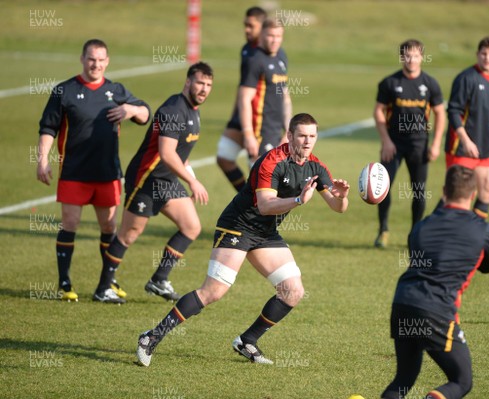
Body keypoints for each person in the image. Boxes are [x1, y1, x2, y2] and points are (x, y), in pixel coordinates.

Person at [136, 113, 349, 367]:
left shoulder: (316, 167)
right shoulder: (271, 162)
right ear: (289, 135)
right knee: (213, 291)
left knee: (293, 291)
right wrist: (298, 200)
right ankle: (150, 337)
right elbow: (265, 205)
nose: (307, 141)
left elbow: (338, 207)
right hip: (238, 226)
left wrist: (343, 196)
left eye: (312, 136)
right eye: (302, 135)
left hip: (265, 233)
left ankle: (247, 340)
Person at [36, 39, 150, 302]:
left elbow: (145, 114)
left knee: (109, 227)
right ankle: (65, 283)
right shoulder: (64, 90)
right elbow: (48, 128)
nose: (96, 64)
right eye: (91, 59)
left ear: (107, 61)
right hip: (74, 172)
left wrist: (131, 109)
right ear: (82, 59)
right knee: (71, 224)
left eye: (100, 60)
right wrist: (42, 160)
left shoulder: (116, 91)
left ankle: (108, 282)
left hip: (108, 173)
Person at [92, 62, 214, 304]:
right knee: (129, 234)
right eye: (200, 83)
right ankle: (103, 288)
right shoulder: (173, 110)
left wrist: (191, 175)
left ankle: (159, 280)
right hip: (147, 179)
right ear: (188, 82)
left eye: (209, 85)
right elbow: (167, 153)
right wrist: (192, 181)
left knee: (191, 227)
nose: (204, 89)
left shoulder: (194, 110)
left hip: (167, 179)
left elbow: (181, 152)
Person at [380, 165, 489, 399]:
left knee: (403, 378)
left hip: (402, 303)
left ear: (444, 191)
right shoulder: (484, 231)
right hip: (436, 311)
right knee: (461, 380)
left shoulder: (421, 227)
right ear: (473, 194)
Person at [373, 39, 445, 248]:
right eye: (407, 55)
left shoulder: (430, 84)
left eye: (415, 55)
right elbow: (378, 110)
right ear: (402, 57)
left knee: (419, 191)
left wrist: (436, 143)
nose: (411, 59)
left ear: (421, 57)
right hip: (393, 144)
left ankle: (415, 234)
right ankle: (383, 230)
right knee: (382, 188)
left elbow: (440, 113)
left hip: (419, 144)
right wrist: (385, 140)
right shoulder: (390, 83)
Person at [217, 17, 292, 192]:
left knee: (265, 186)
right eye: (271, 35)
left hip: (273, 129)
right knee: (228, 160)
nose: (275, 40)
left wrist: (288, 128)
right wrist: (249, 134)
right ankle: (246, 202)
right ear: (263, 34)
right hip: (259, 129)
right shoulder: (255, 60)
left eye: (278, 36)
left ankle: (249, 206)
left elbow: (286, 97)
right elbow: (244, 98)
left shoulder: (282, 56)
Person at [444, 36, 489, 219]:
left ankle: (472, 234)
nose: (487, 58)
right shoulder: (465, 79)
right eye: (483, 54)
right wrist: (466, 141)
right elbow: (453, 112)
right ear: (477, 55)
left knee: (488, 190)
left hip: (485, 149)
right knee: (457, 196)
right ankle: (434, 231)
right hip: (461, 149)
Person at [216, 6, 268, 191]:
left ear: (262, 27)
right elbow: (243, 86)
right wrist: (234, 114)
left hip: (259, 119)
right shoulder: (246, 50)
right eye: (245, 25)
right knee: (224, 157)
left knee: (257, 174)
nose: (246, 29)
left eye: (251, 26)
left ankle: (256, 208)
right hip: (241, 114)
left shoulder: (268, 54)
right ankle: (246, 198)